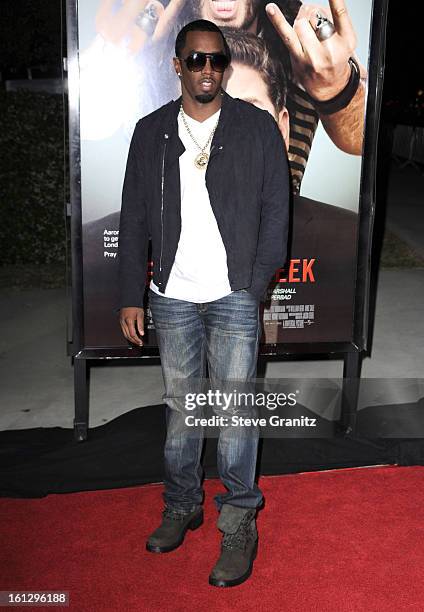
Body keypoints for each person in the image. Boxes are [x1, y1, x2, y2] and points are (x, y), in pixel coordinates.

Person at [117, 19, 290, 587]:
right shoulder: (151, 133)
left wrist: (254, 284)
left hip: (233, 294)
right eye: (196, 60)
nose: (208, 69)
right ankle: (182, 503)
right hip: (171, 297)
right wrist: (130, 295)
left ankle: (239, 521)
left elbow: (275, 213)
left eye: (216, 60)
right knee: (181, 411)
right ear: (178, 64)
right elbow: (135, 218)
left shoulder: (257, 128)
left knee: (236, 415)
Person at [91, 0, 367, 192]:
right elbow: (94, 124)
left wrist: (336, 88)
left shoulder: (300, 36)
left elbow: (361, 139)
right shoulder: (154, 31)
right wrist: (122, 57)